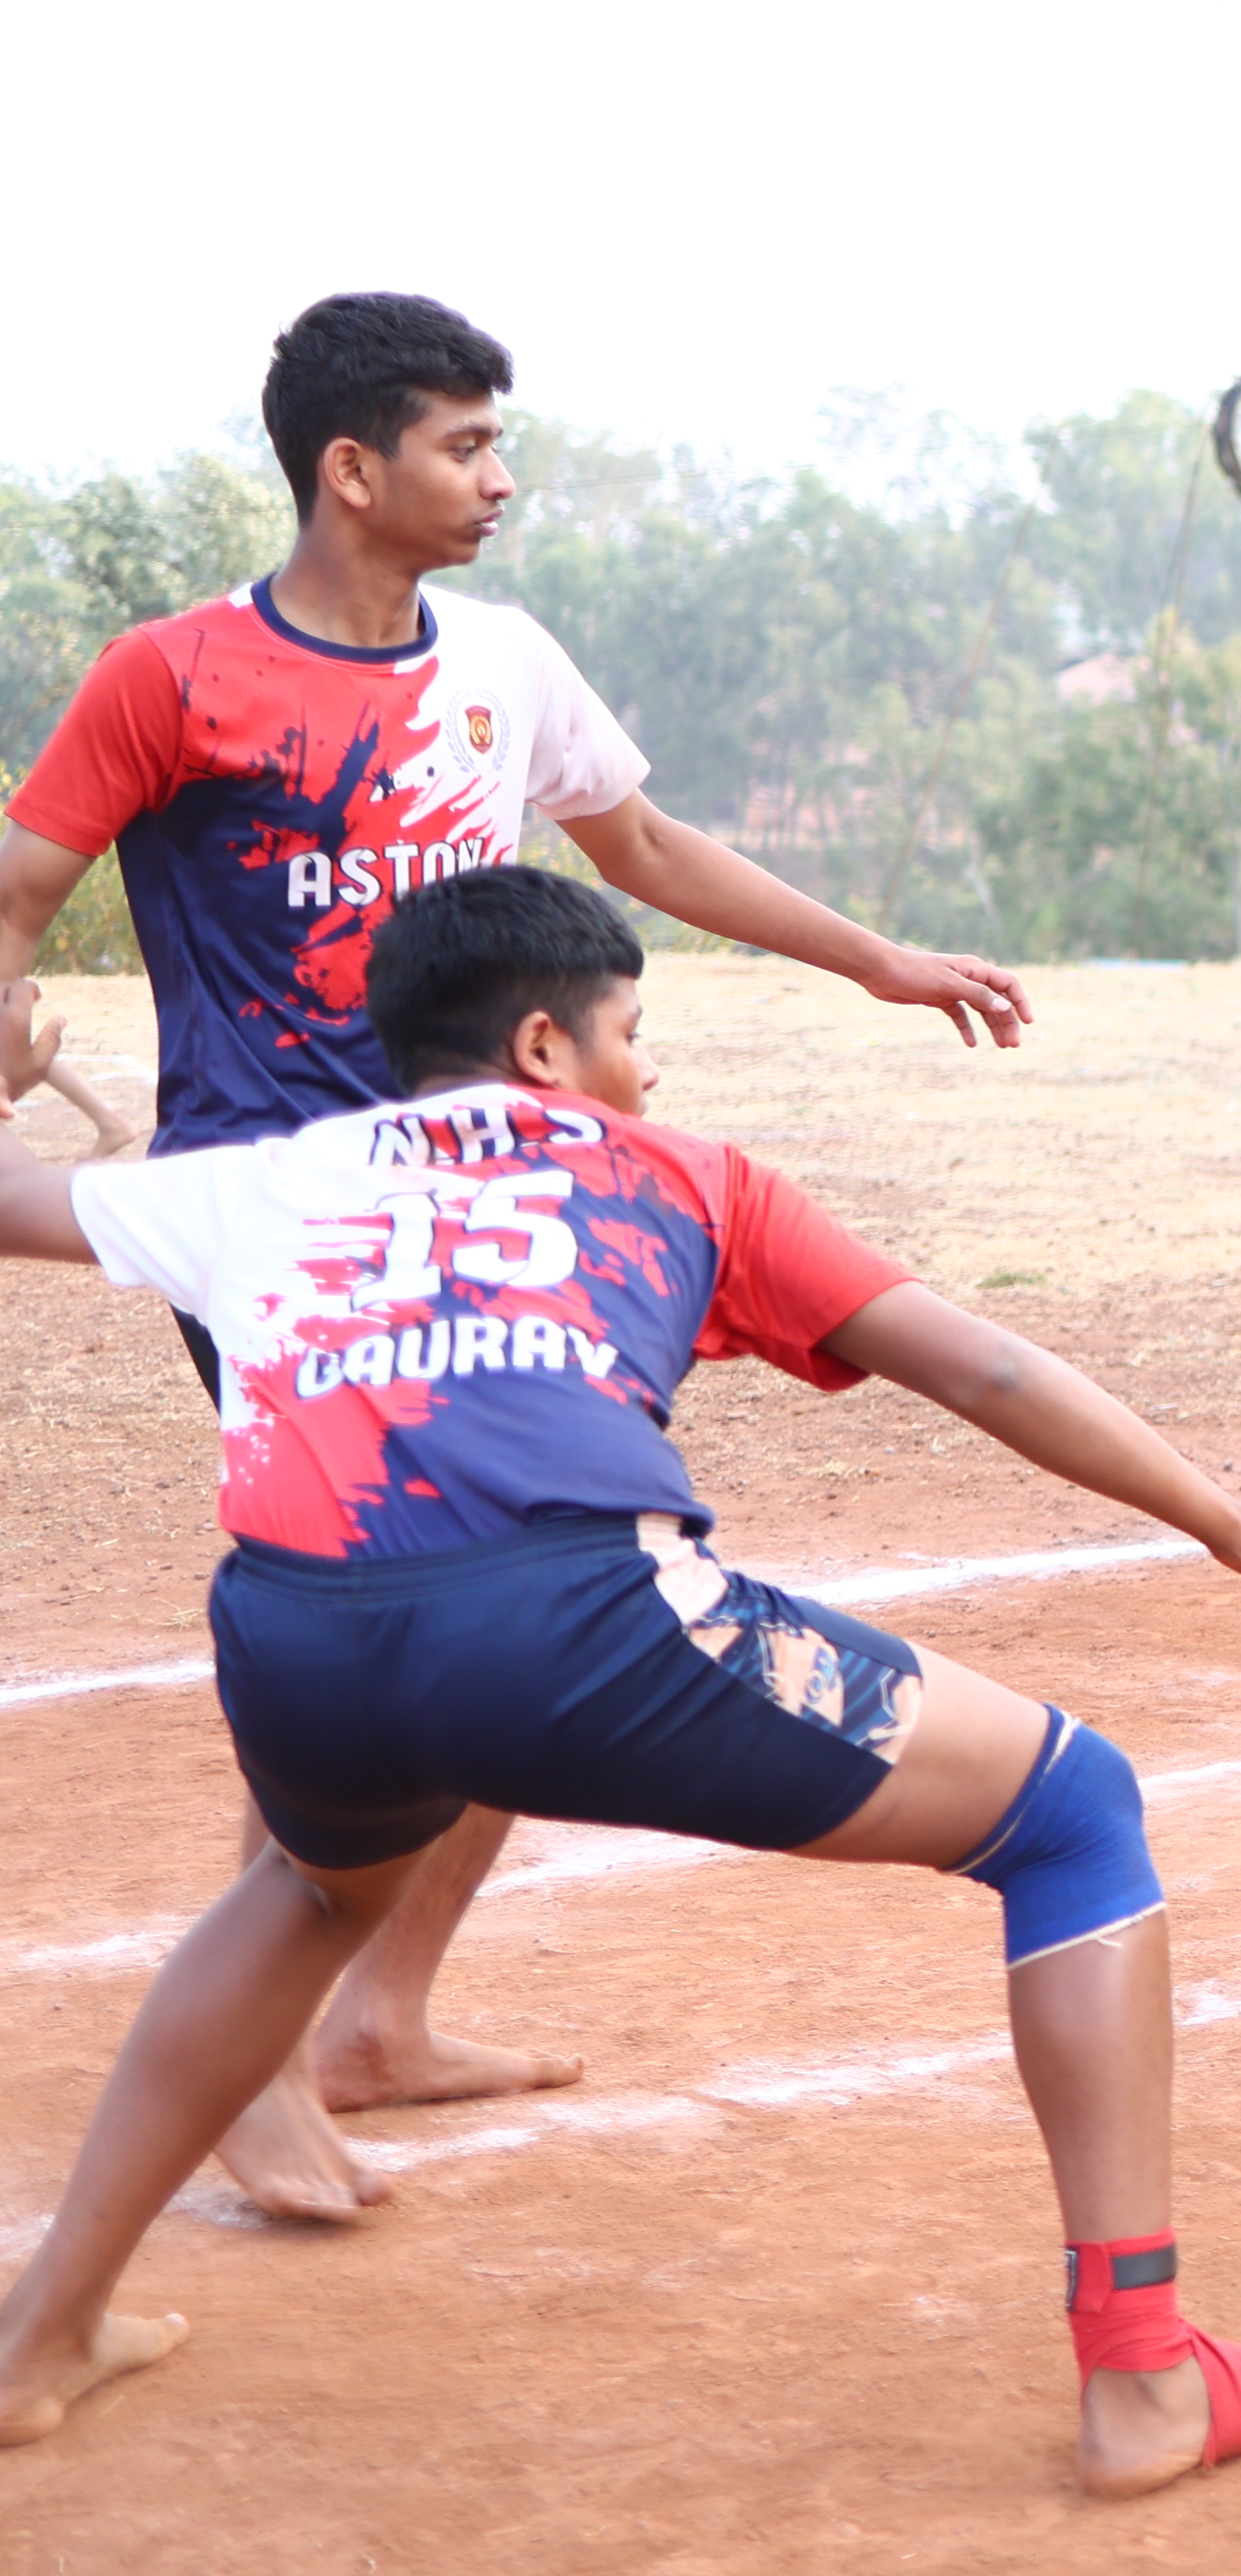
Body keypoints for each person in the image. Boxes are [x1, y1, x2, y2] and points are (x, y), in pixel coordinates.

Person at [0, 868, 1241, 2492]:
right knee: (1073, 1808)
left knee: (305, 1896)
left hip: (292, 1635)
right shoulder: (683, 1171)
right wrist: (1227, 1515)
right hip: (570, 1616)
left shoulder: (267, 1177)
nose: (651, 1068)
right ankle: (1145, 2379)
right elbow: (985, 1363)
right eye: (635, 1031)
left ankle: (36, 2338)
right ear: (544, 1043)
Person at [0, 292, 1035, 2224]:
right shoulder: (174, 674)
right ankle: (271, 2058)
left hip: (522, 1212)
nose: (499, 479)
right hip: (292, 1224)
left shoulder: (505, 661)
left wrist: (879, 958)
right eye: (468, 446)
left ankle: (378, 2015)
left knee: (523, 1590)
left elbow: (638, 846)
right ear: (352, 467)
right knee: (381, 1604)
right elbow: (21, 883)